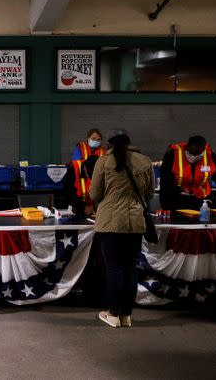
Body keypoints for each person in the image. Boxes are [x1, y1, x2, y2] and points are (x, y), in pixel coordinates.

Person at [89, 130, 154, 328]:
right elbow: (150, 193)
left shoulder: (103, 162)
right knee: (130, 268)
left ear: (109, 144)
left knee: (114, 268)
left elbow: (94, 194)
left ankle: (113, 313)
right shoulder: (145, 161)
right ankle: (127, 315)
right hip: (135, 222)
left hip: (109, 222)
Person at [159, 135, 216, 212]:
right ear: (186, 147)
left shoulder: (210, 157)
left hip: (201, 201)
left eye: (196, 155)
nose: (192, 157)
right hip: (178, 200)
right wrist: (165, 207)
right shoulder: (173, 154)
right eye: (190, 153)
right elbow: (165, 182)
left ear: (202, 152)